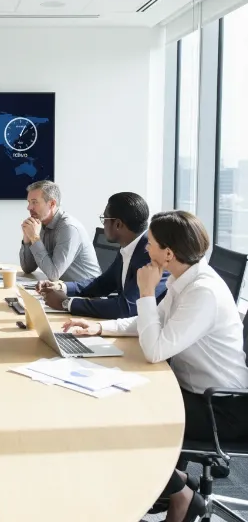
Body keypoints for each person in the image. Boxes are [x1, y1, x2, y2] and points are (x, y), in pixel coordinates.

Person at [63, 211, 248, 522]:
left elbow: (155, 349)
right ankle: (178, 484)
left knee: (125, 416)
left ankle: (181, 494)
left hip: (223, 409)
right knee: (118, 402)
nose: (146, 249)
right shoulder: (185, 279)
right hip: (195, 392)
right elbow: (152, 321)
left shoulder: (203, 291)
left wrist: (147, 291)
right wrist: (100, 329)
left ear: (169, 253)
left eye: (150, 244)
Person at [38, 192, 168, 318]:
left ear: (118, 224)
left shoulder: (151, 254)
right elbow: (103, 284)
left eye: (104, 218)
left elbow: (126, 308)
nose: (103, 223)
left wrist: (66, 303)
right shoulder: (129, 246)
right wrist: (62, 287)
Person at [19, 180, 101, 282]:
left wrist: (35, 238)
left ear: (52, 204)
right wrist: (27, 238)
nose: (29, 207)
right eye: (29, 202)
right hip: (62, 288)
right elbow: (28, 268)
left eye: (34, 202)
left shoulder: (68, 228)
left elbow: (53, 275)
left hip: (86, 293)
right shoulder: (41, 224)